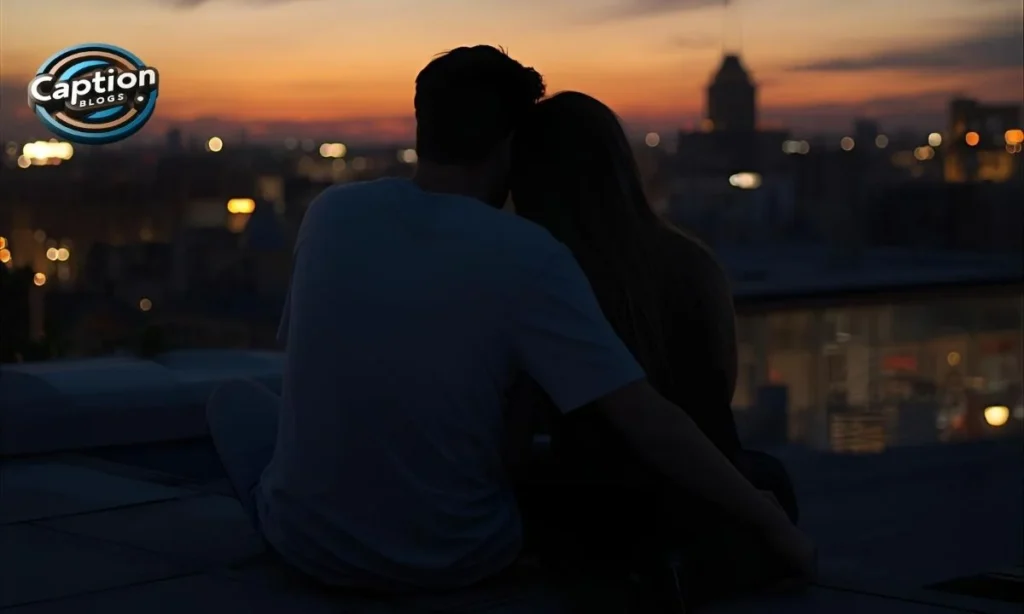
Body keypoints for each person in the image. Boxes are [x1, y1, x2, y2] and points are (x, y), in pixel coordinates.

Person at [206, 46, 815, 600]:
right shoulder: (528, 253)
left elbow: (323, 368)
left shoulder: (332, 212)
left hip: (308, 550)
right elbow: (646, 420)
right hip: (456, 560)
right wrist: (768, 520)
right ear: (507, 148)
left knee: (234, 401)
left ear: (422, 129)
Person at [507, 91, 800, 604]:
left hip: (597, 514)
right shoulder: (692, 263)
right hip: (709, 501)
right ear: (621, 165)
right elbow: (715, 392)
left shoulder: (539, 276)